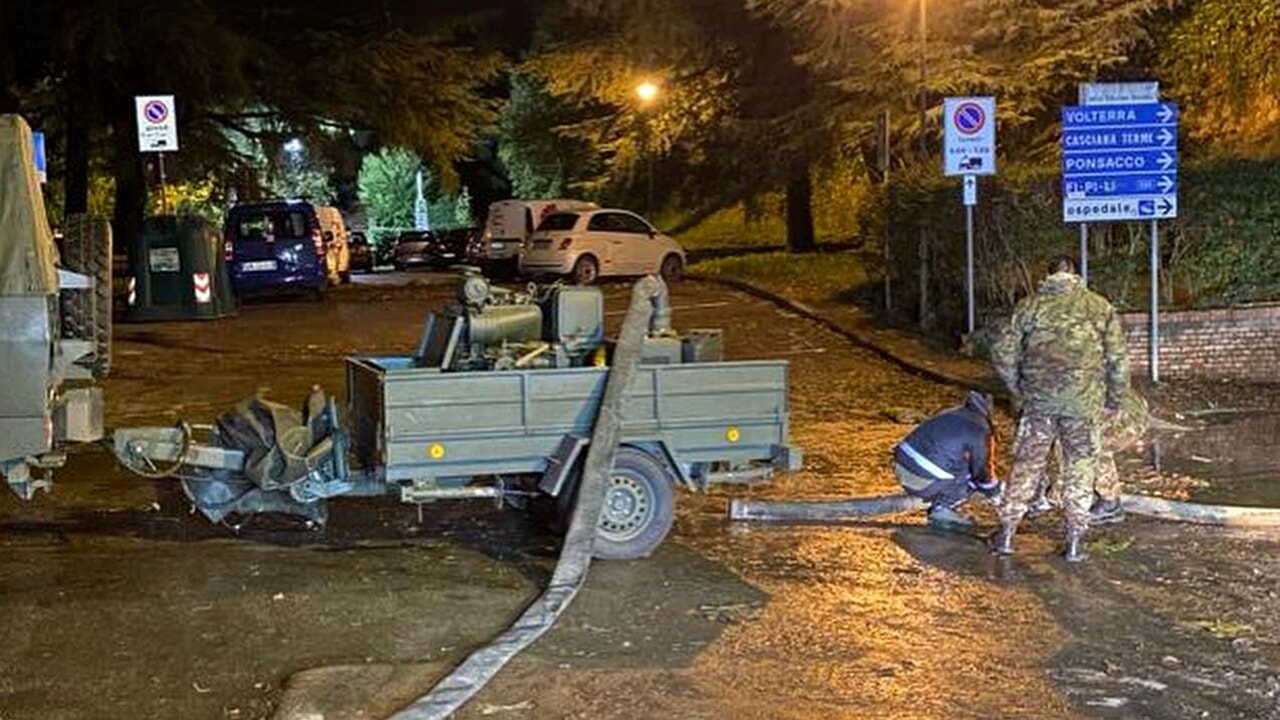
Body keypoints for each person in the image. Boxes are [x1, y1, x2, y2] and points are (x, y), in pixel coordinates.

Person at [990, 255, 1128, 562]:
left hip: (1038, 404)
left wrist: (1018, 390)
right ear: (1075, 273)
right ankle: (1075, 541)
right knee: (1081, 466)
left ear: (1048, 275)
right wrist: (1113, 401)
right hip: (1084, 405)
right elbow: (1117, 360)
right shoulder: (1099, 307)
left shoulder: (1030, 306)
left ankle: (1007, 534)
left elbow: (1002, 352)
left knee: (1027, 463)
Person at [1028, 387, 1148, 524]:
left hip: (1127, 419)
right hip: (1129, 408)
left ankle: (1110, 504)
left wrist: (1051, 499)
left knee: (1091, 448)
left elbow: (1063, 461)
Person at [893, 390, 1002, 531]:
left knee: (953, 458)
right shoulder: (980, 429)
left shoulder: (949, 413)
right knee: (968, 473)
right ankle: (942, 509)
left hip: (901, 468)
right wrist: (994, 491)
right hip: (923, 481)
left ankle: (937, 493)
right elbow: (982, 471)